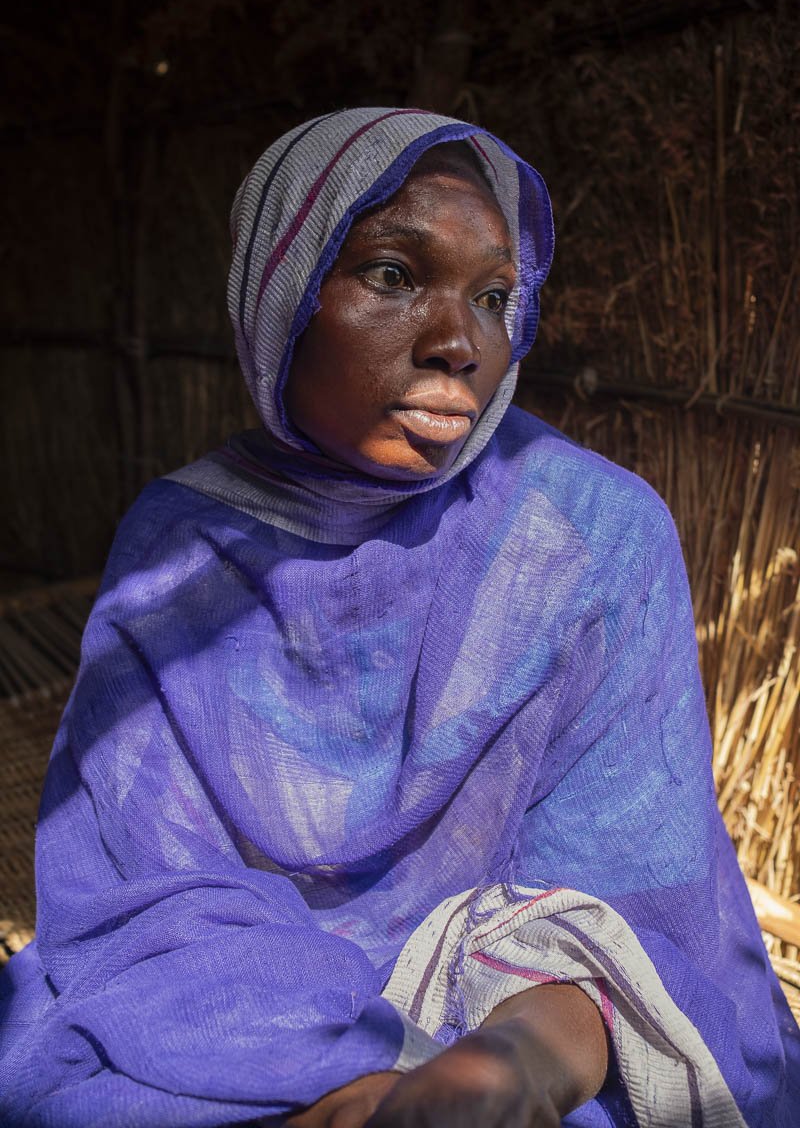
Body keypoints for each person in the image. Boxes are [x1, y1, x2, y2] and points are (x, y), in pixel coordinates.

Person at [0, 108, 797, 1127]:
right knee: (60, 1074)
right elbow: (147, 896)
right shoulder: (180, 548)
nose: (458, 342)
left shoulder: (587, 537)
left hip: (524, 1007)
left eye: (496, 297)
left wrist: (517, 1058)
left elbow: (631, 898)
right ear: (279, 298)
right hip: (226, 1005)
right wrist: (341, 1083)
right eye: (390, 274)